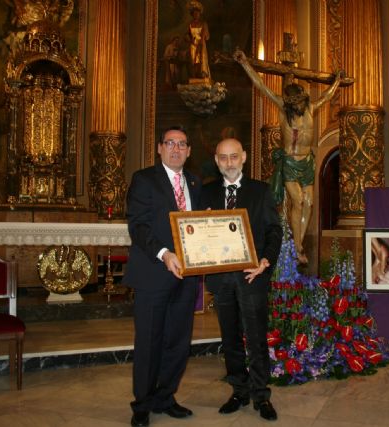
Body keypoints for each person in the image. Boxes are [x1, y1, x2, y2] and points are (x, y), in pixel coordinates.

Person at [123, 126, 202, 427]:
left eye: (182, 144)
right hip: (153, 274)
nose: (176, 149)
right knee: (149, 341)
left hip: (187, 276)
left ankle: (166, 397)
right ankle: (142, 404)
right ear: (159, 148)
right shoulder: (144, 180)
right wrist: (164, 253)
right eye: (170, 143)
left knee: (178, 341)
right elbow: (138, 226)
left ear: (189, 151)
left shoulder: (194, 182)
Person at [234, 49, 342, 264]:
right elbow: (262, 86)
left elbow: (327, 96)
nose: (300, 106)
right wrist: (246, 64)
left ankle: (298, 244)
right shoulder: (283, 111)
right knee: (298, 200)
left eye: (301, 102)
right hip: (291, 162)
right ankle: (299, 247)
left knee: (309, 202)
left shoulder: (311, 108)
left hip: (307, 162)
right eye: (297, 104)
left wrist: (337, 81)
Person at [202, 138, 283, 421]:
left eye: (234, 156)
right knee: (230, 337)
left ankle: (261, 395)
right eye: (223, 158)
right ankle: (239, 390)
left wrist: (265, 261)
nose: (229, 163)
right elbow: (196, 232)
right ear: (216, 160)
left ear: (244, 157)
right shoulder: (207, 192)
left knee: (257, 337)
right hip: (221, 278)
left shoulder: (260, 191)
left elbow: (274, 230)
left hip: (252, 276)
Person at [187, 0, 210, 80]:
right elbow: (187, 34)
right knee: (193, 60)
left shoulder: (203, 23)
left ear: (200, 14)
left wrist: (201, 40)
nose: (196, 15)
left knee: (201, 59)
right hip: (193, 45)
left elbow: (206, 36)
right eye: (194, 13)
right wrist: (188, 38)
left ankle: (202, 74)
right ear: (192, 14)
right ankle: (194, 75)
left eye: (198, 13)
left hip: (201, 44)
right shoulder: (190, 24)